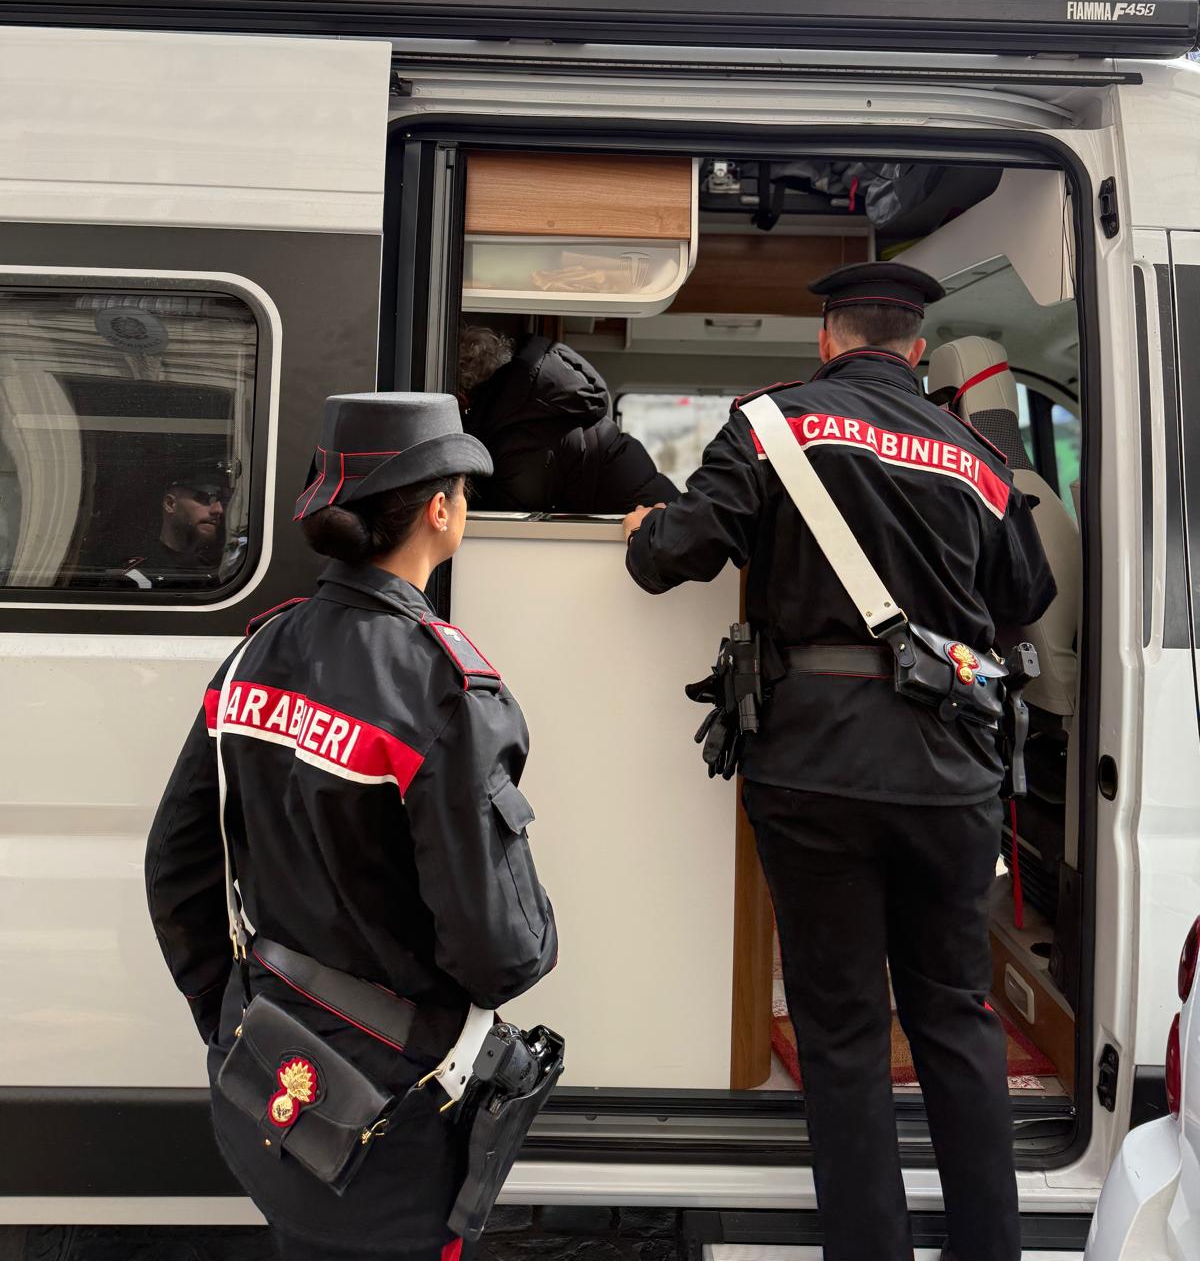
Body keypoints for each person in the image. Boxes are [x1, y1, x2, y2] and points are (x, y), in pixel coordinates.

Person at [622, 262, 1056, 1261]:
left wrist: (646, 530)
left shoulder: (772, 425)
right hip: (951, 774)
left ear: (827, 340)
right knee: (956, 1016)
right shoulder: (978, 455)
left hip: (814, 770)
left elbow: (676, 555)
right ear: (916, 349)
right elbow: (1025, 596)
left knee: (845, 1032)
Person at [145, 392, 558, 1261]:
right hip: (391, 1124)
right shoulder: (446, 689)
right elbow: (500, 954)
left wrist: (229, 1019)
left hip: (270, 1071)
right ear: (440, 511)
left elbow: (176, 866)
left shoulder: (254, 655)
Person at [458, 325, 679, 513]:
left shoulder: (519, 428)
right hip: (652, 506)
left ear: (462, 400)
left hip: (653, 523)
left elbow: (512, 512)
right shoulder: (530, 400)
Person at [118, 460, 233, 589]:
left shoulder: (219, 572)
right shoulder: (139, 573)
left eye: (221, 501)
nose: (218, 510)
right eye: (206, 498)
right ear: (170, 504)